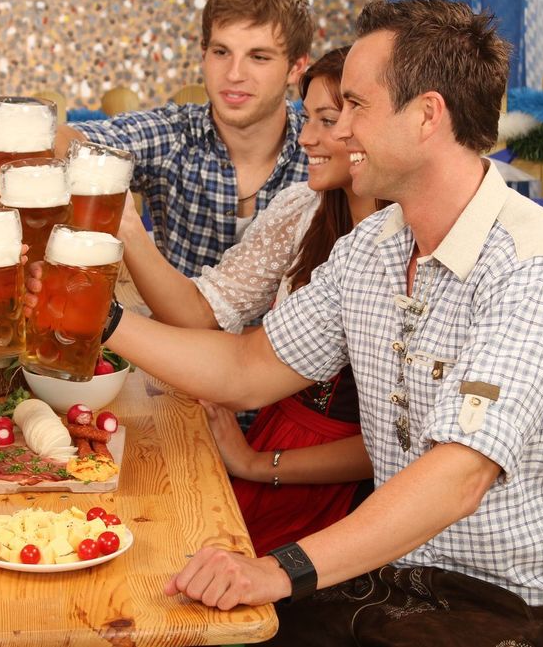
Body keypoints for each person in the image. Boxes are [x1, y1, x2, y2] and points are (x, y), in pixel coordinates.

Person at [82, 0, 543, 643]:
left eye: (357, 107)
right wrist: (100, 316)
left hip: (509, 598)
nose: (338, 133)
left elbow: (458, 477)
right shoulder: (372, 247)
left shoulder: (534, 266)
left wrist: (278, 571)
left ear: (427, 116)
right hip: (397, 574)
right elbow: (244, 368)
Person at [114, 47, 379, 557]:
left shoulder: (408, 241)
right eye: (309, 119)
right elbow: (203, 314)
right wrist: (129, 230)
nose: (306, 138)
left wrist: (259, 464)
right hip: (271, 431)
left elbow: (393, 445)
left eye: (328, 120)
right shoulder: (305, 209)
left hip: (332, 480)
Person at [0, 0, 313, 278]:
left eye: (259, 57)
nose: (234, 73)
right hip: (171, 332)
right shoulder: (174, 134)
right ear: (204, 53)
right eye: (221, 52)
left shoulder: (322, 148)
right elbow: (73, 140)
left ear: (296, 68)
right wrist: (26, 143)